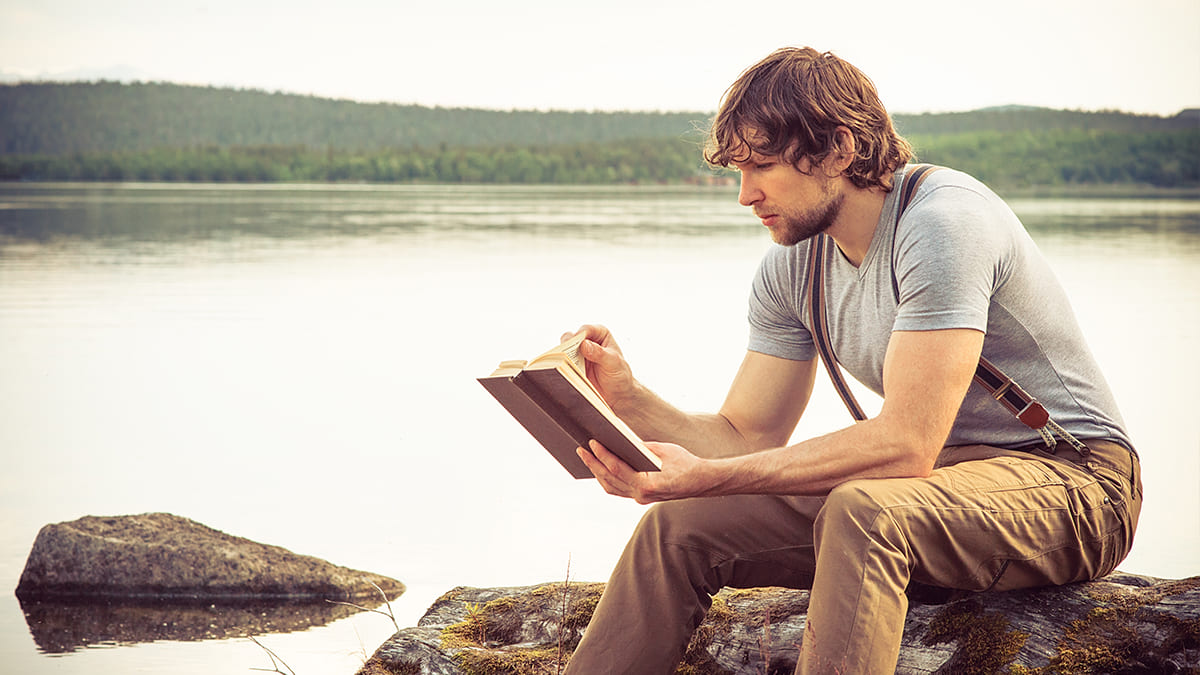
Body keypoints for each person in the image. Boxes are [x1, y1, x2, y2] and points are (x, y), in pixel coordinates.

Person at [559, 47, 1142, 674]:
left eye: (761, 165)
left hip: (1076, 481)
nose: (744, 193)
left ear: (839, 149)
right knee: (677, 527)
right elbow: (745, 437)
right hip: (935, 491)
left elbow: (907, 445)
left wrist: (710, 475)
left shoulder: (944, 223)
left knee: (864, 510)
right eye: (736, 169)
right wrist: (627, 400)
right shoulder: (794, 265)